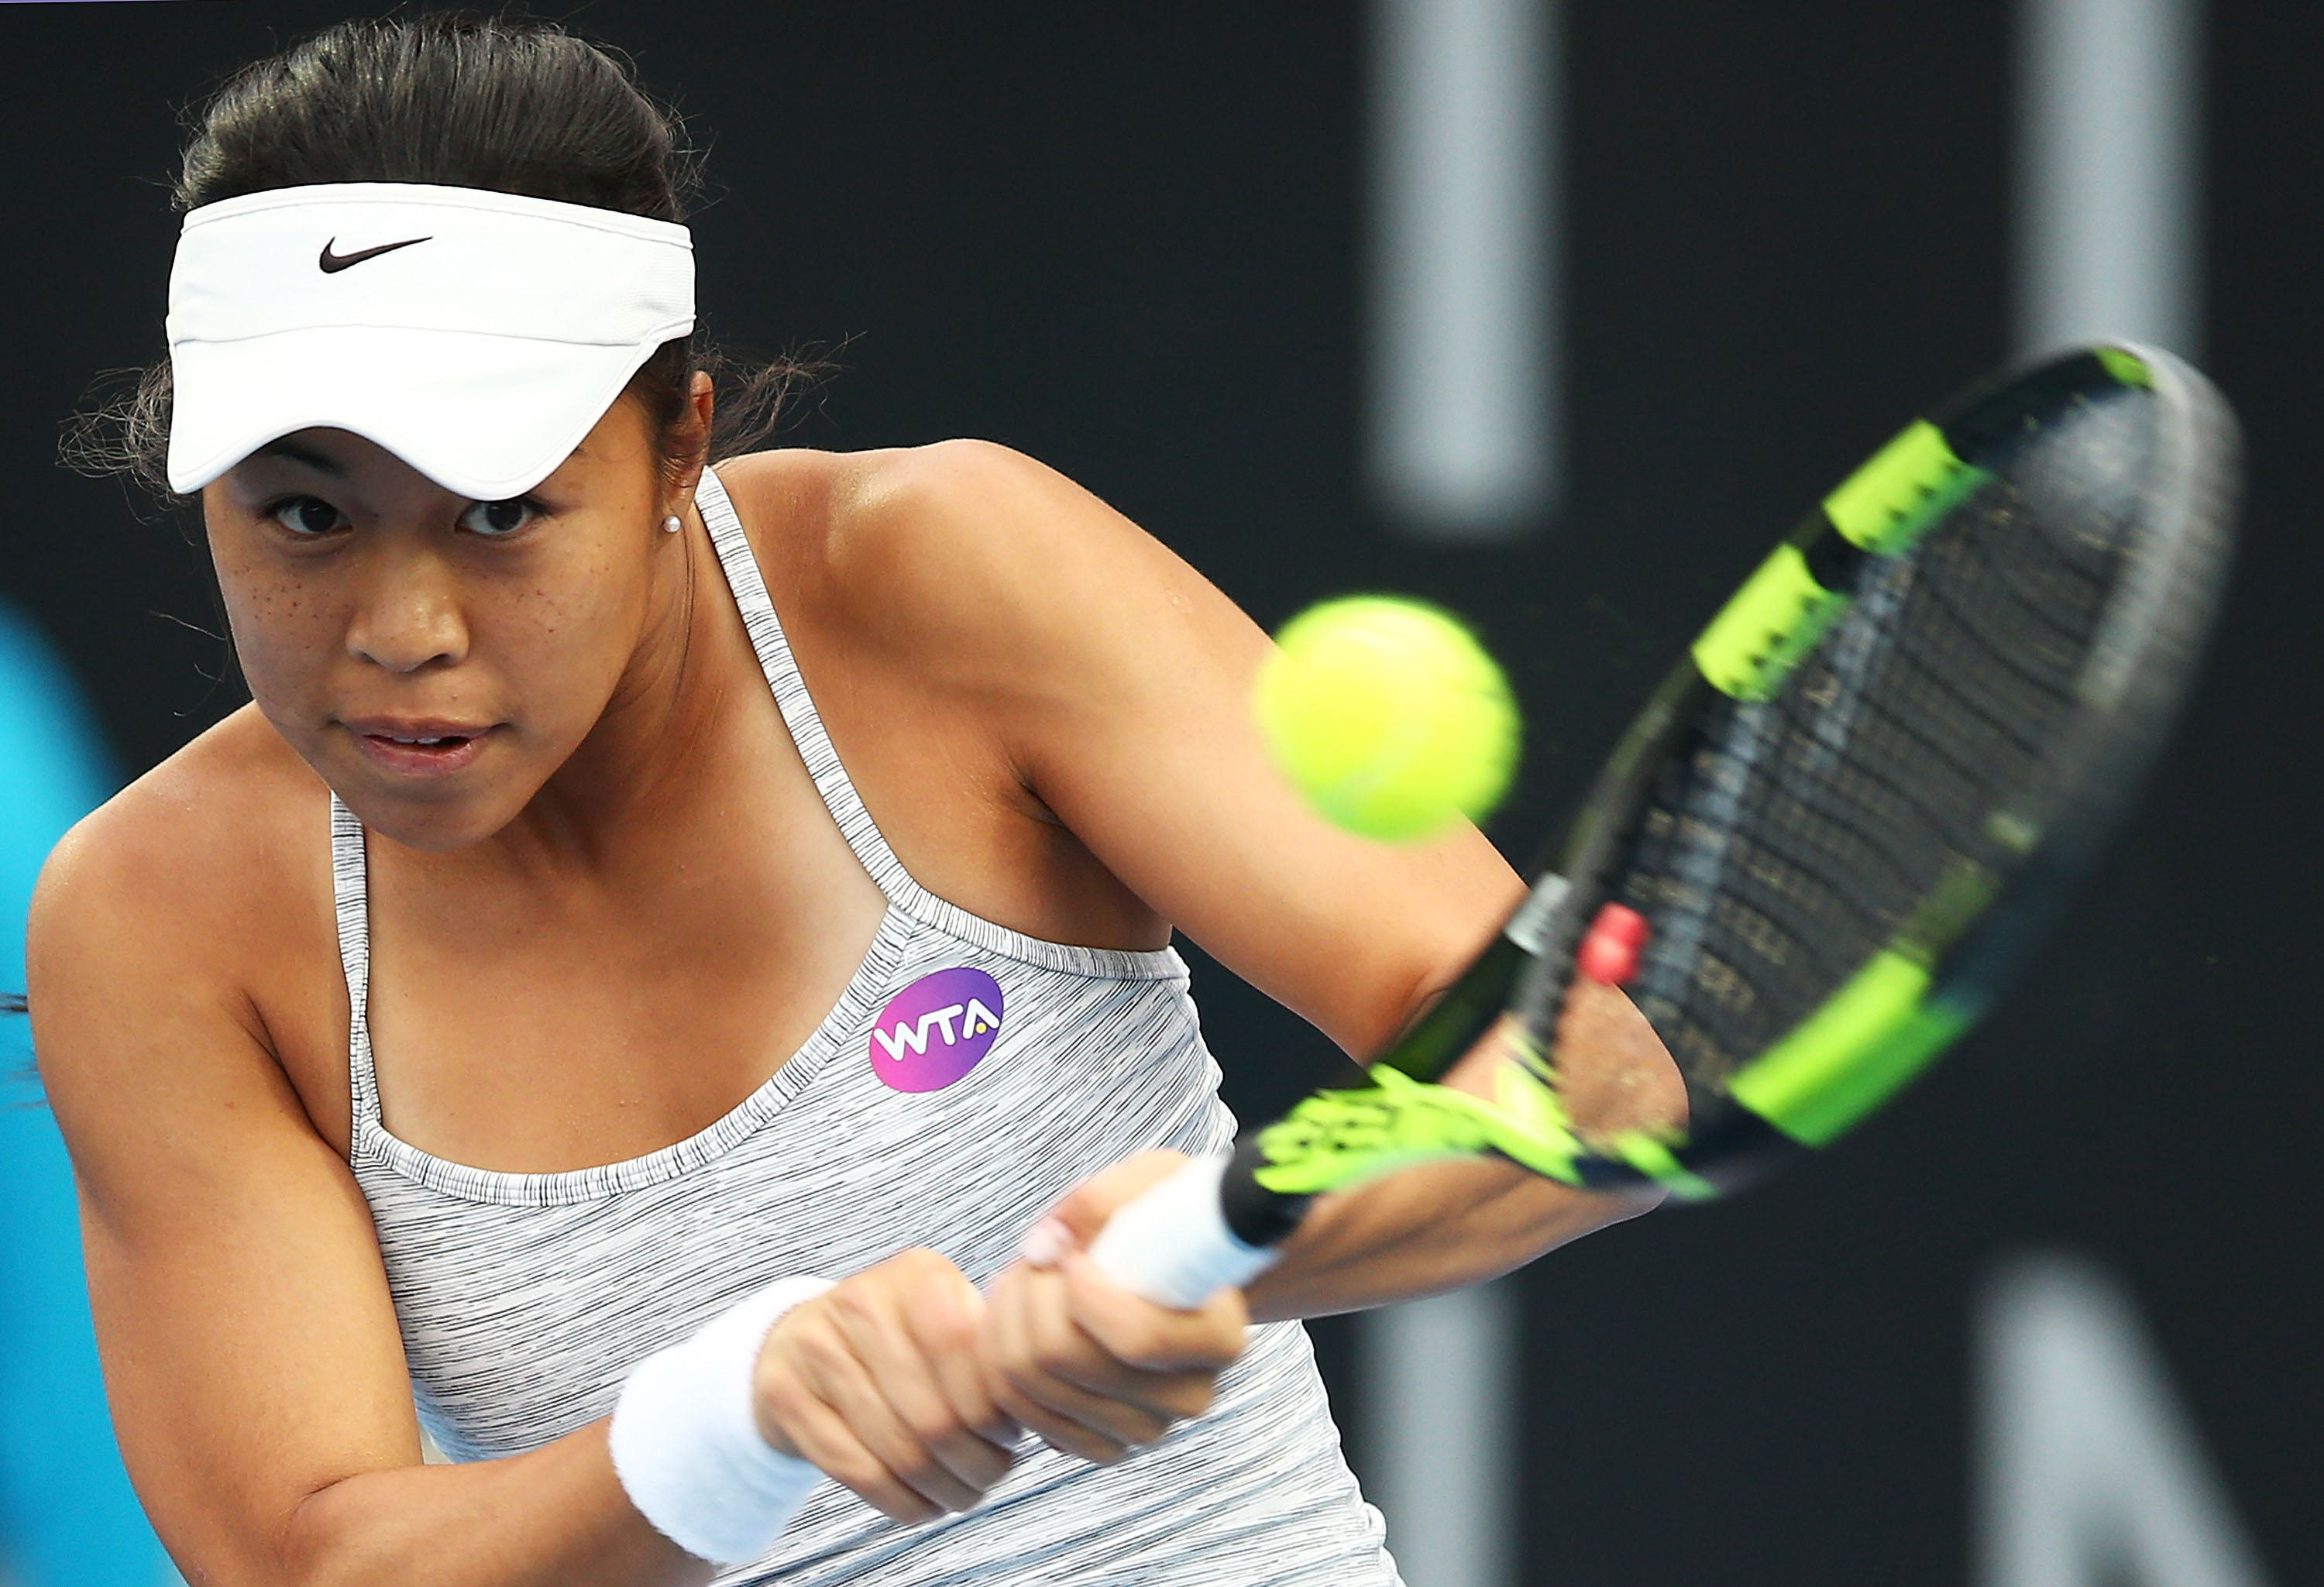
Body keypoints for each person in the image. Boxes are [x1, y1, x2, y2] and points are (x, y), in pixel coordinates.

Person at [31, 14, 1669, 1585]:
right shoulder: (160, 918)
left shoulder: (944, 573)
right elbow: (313, 1554)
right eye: (305, 514)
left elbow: (1592, 1077)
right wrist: (724, 1421)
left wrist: (1231, 1239)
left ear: (682, 445)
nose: (402, 630)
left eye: (503, 509)